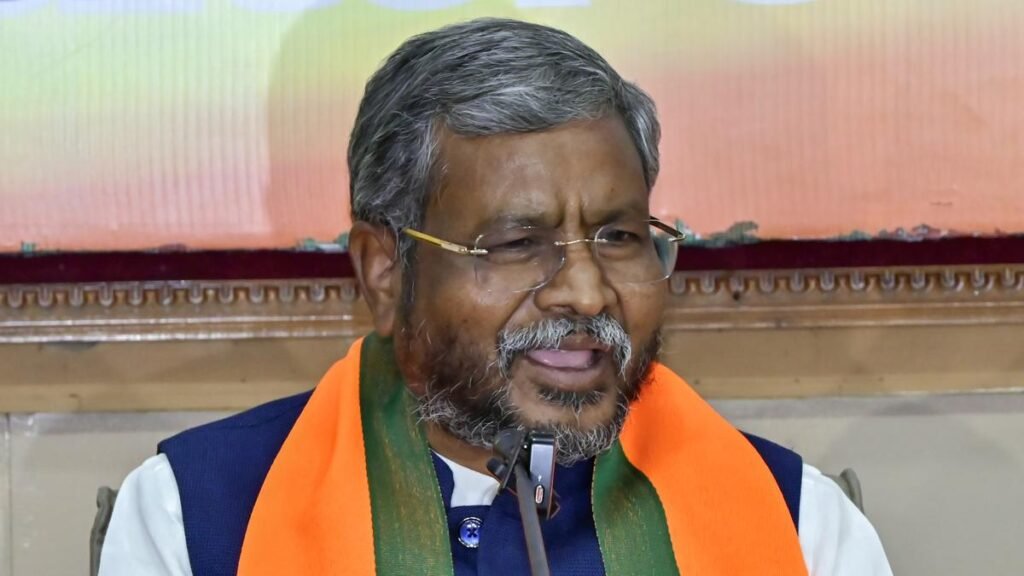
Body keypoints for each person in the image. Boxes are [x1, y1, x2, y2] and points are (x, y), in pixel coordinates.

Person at [99, 18, 892, 576]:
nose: (587, 292)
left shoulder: (795, 522)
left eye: (618, 236)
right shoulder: (198, 517)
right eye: (517, 244)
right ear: (384, 271)